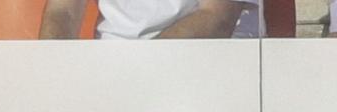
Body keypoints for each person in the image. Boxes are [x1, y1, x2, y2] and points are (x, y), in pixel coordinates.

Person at [40, 0, 259, 38]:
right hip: (111, 69)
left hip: (202, 67)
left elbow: (217, 19)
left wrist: (142, 69)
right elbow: (62, 11)